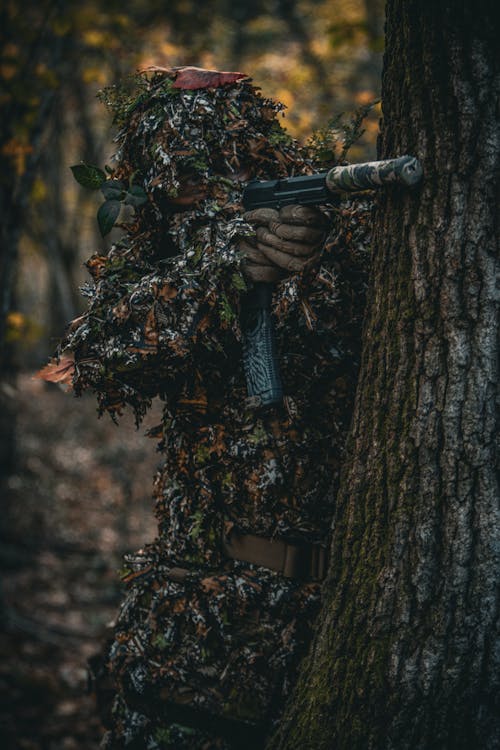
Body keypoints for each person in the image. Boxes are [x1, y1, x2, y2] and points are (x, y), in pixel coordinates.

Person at [57, 67, 371, 748]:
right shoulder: (161, 266)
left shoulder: (340, 240)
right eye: (189, 176)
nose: (208, 188)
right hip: (201, 630)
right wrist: (223, 267)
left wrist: (319, 249)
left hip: (346, 623)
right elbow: (96, 356)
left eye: (230, 164)